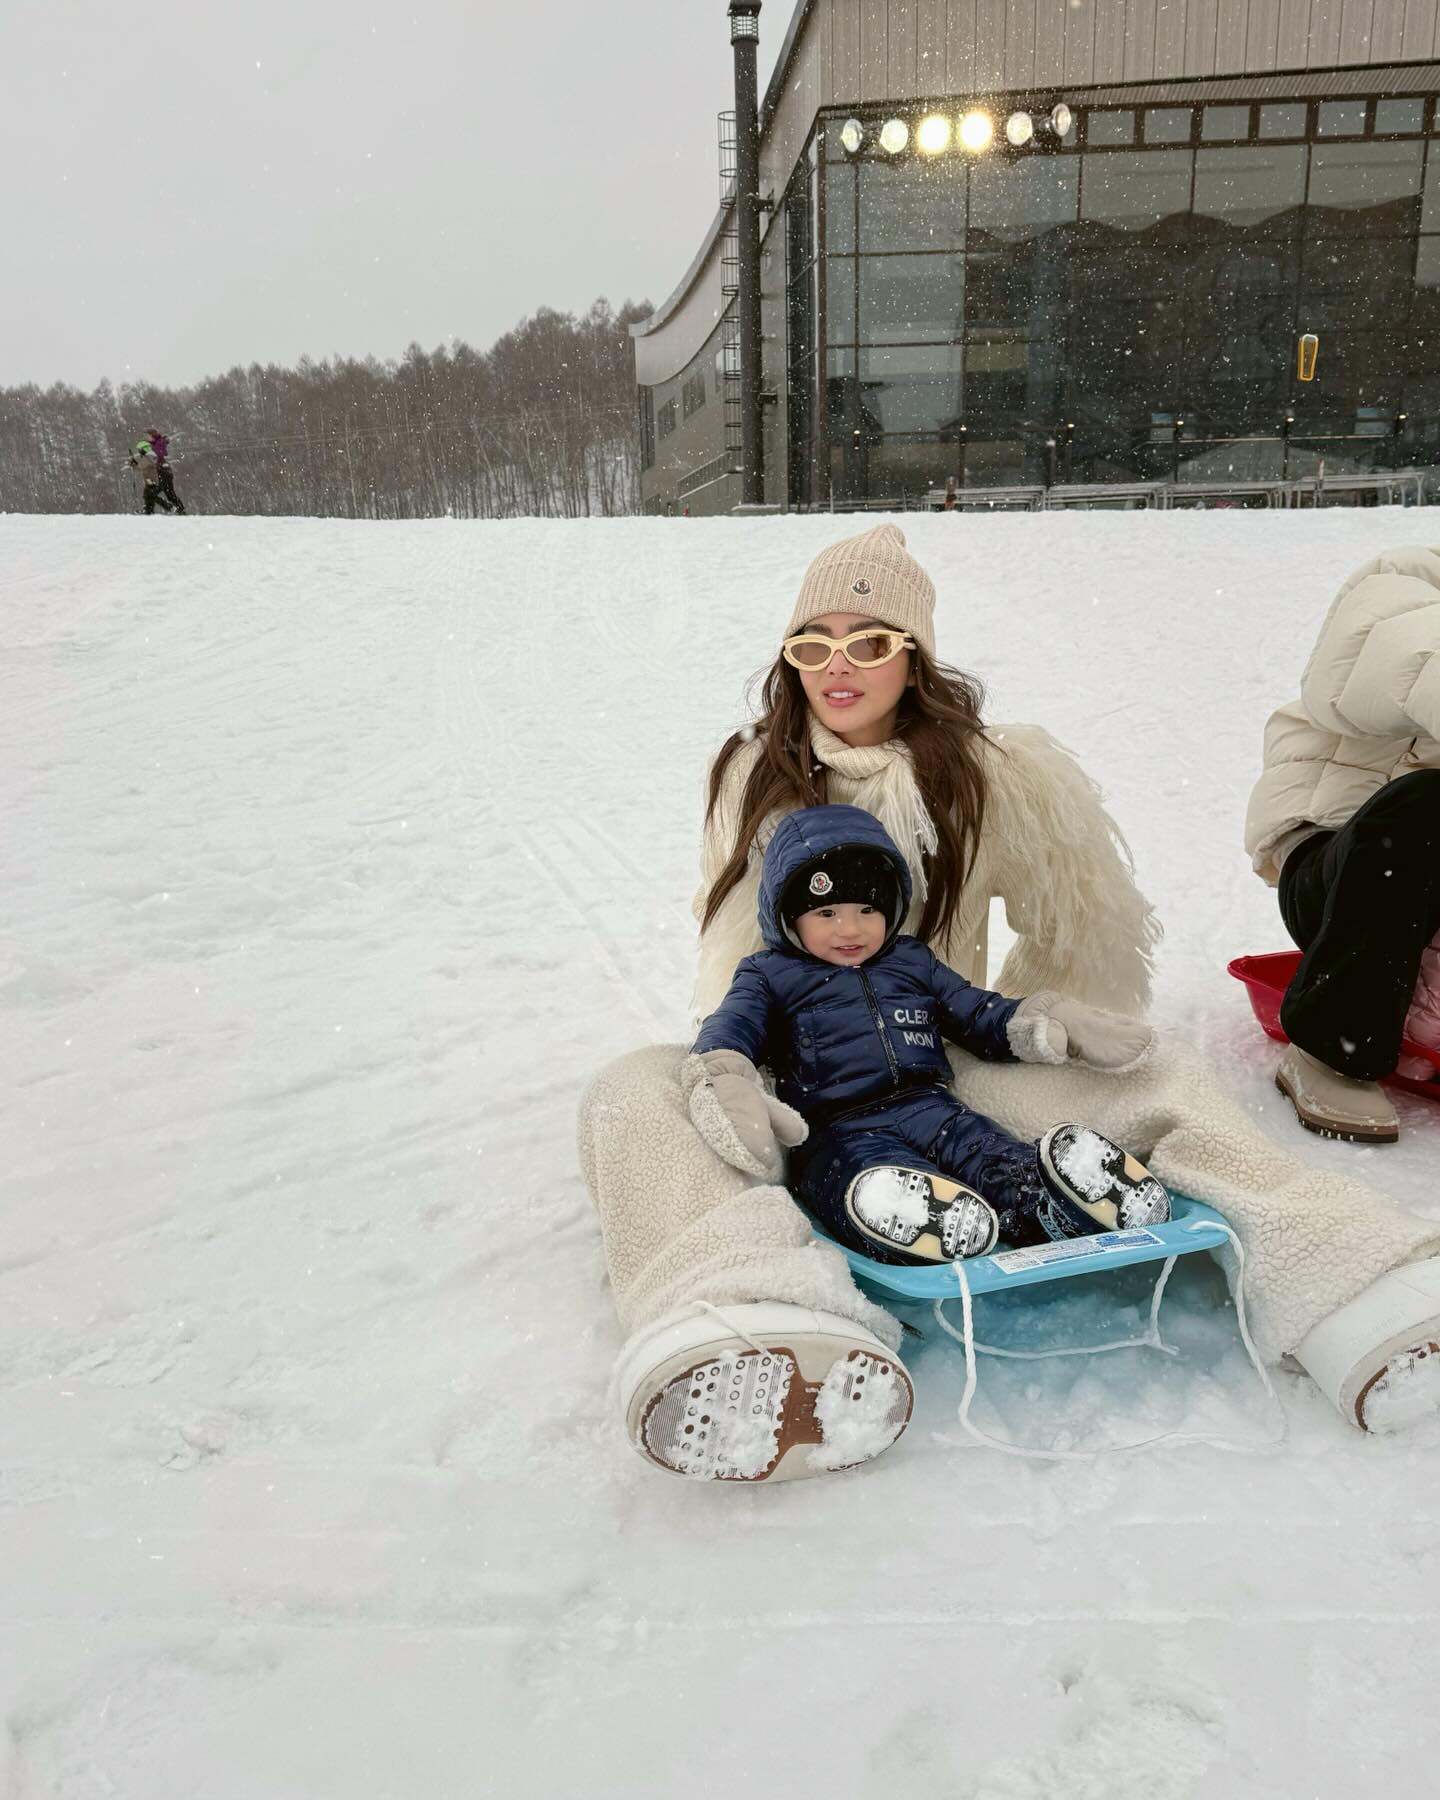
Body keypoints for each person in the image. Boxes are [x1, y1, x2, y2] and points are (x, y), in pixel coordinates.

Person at [579, 525, 1440, 1480]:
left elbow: (1083, 930)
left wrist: (1047, 1030)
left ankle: (1347, 1274)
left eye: (869, 640)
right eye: (812, 643)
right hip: (786, 1086)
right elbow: (734, 962)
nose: (839, 664)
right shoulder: (751, 774)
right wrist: (740, 1074)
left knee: (1160, 1071)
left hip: (950, 1059)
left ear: (913, 656)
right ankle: (751, 1315)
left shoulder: (993, 772)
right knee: (632, 1092)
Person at [687, 801, 1170, 1275]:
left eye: (867, 909)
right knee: (861, 1177)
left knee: (991, 1156)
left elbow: (978, 1013)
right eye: (827, 913)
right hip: (837, 1127)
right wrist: (724, 1071)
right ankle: (907, 1218)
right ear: (788, 915)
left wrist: (1047, 1021)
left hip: (932, 1108)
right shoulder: (769, 974)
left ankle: (1062, 1203)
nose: (851, 928)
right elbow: (733, 1025)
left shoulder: (912, 961)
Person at [1245, 543, 1440, 1142]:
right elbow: (1402, 659)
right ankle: (1331, 1049)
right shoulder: (1402, 582)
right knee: (1426, 804)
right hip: (1343, 874)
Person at [144, 427, 186, 514]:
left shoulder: (159, 443)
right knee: (169, 494)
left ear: (152, 436)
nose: (145, 437)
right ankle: (180, 510)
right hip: (163, 471)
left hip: (163, 472)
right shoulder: (154, 444)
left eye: (147, 435)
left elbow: (158, 454)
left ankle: (168, 508)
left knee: (151, 493)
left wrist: (147, 453)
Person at [128, 440, 172, 515]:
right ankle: (149, 511)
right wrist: (133, 464)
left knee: (151, 495)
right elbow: (140, 467)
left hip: (153, 480)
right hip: (149, 480)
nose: (139, 451)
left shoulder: (150, 456)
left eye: (140, 450)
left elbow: (143, 465)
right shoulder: (146, 456)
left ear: (144, 449)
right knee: (148, 496)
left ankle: (168, 506)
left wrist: (134, 462)